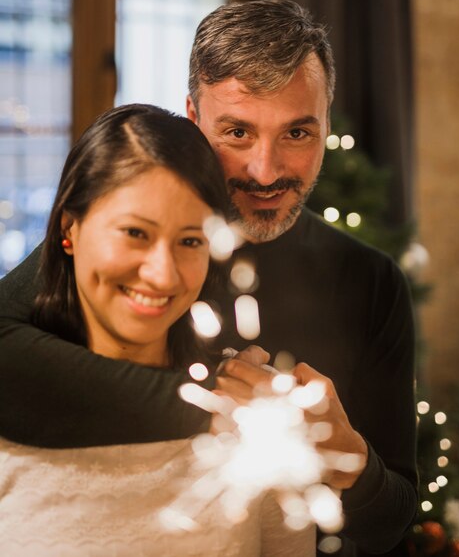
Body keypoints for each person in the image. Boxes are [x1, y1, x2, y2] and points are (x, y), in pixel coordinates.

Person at [0, 0, 417, 556]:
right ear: (193, 120)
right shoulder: (122, 254)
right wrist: (221, 411)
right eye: (238, 132)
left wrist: (349, 460)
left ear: (326, 123)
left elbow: (390, 527)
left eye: (298, 134)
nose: (265, 172)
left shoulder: (372, 282)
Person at [0, 103, 316, 556]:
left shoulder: (260, 419)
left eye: (190, 241)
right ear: (69, 228)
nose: (163, 275)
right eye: (135, 233)